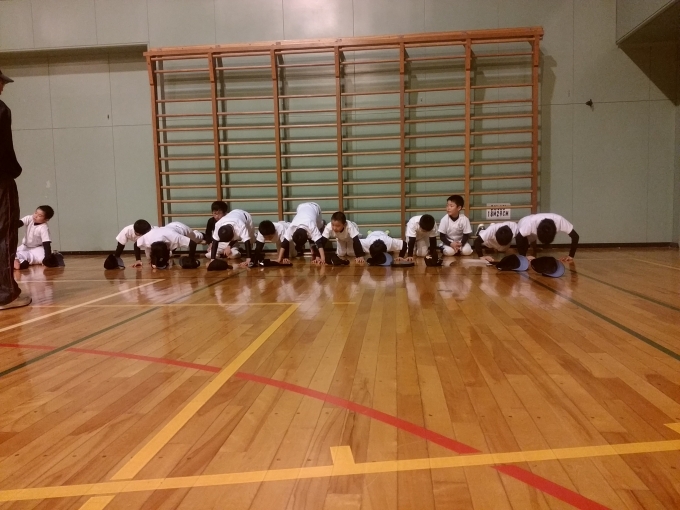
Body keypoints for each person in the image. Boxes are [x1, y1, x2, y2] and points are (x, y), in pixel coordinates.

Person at [0, 69, 30, 309]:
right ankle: (6, 294)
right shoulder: (1, 109)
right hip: (1, 180)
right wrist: (14, 171)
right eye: (1, 83)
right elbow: (4, 148)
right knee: (5, 233)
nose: (3, 87)